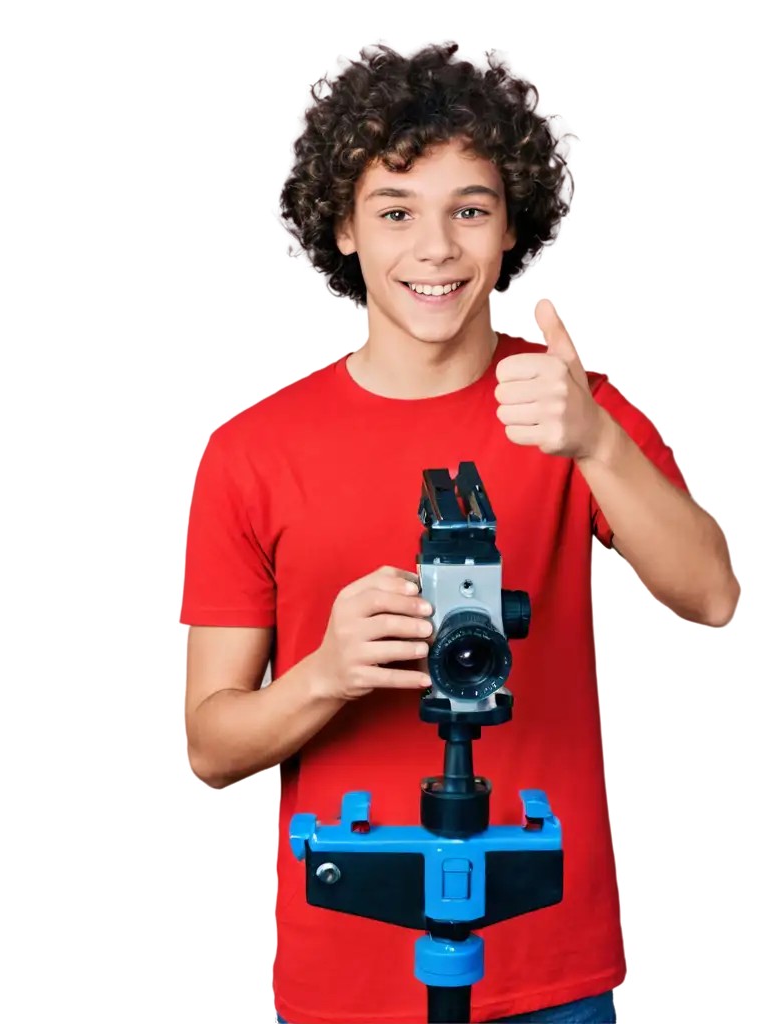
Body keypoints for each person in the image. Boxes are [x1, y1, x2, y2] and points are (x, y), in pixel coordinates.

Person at [178, 43, 738, 1024]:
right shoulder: (249, 450)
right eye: (395, 210)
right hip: (342, 976)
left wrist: (595, 441)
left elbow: (714, 595)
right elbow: (209, 748)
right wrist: (329, 671)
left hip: (546, 962)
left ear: (508, 223)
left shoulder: (572, 407)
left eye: (468, 209)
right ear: (343, 230)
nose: (434, 250)